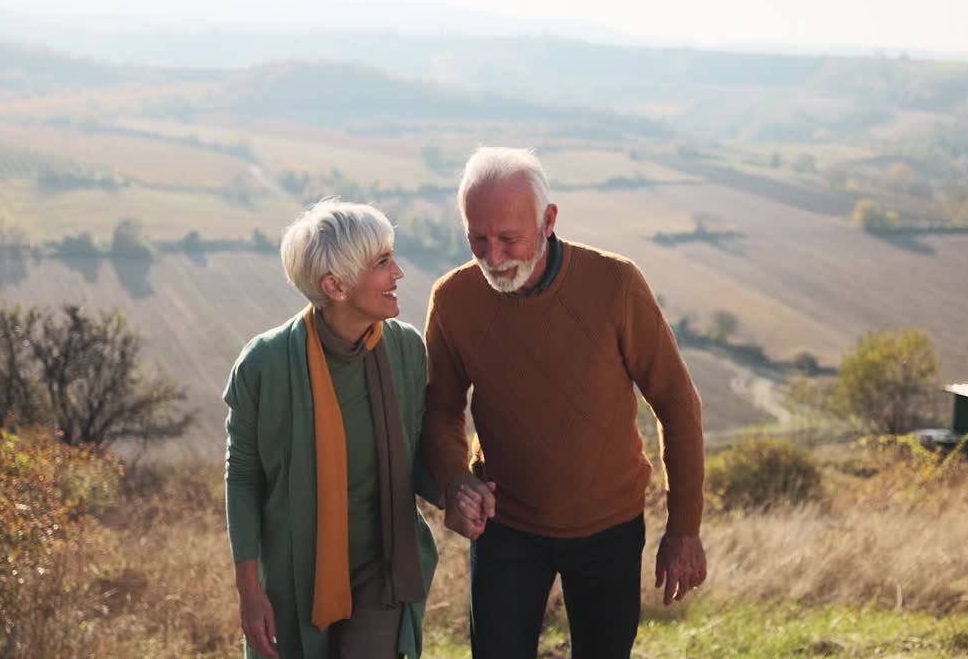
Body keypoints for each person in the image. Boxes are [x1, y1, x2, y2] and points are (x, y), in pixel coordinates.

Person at [422, 147, 707, 659]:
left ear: (548, 219)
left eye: (509, 238)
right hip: (504, 527)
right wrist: (455, 478)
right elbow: (441, 409)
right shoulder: (453, 299)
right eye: (476, 239)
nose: (493, 256)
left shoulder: (615, 284)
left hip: (610, 527)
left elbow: (677, 403)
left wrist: (684, 528)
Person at [224, 199, 441, 659]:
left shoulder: (406, 350)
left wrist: (461, 491)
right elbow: (243, 478)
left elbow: (419, 455)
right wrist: (249, 590)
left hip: (383, 571)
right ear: (335, 286)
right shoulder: (263, 365)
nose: (398, 272)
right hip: (292, 577)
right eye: (382, 263)